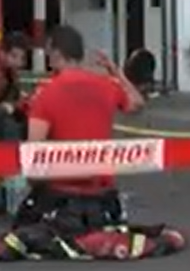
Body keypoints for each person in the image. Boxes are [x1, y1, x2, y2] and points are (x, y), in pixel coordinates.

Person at [16, 24, 142, 232]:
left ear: (56, 52)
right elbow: (137, 104)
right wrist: (117, 72)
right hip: (102, 193)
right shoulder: (107, 85)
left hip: (61, 194)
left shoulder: (45, 94)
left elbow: (34, 156)